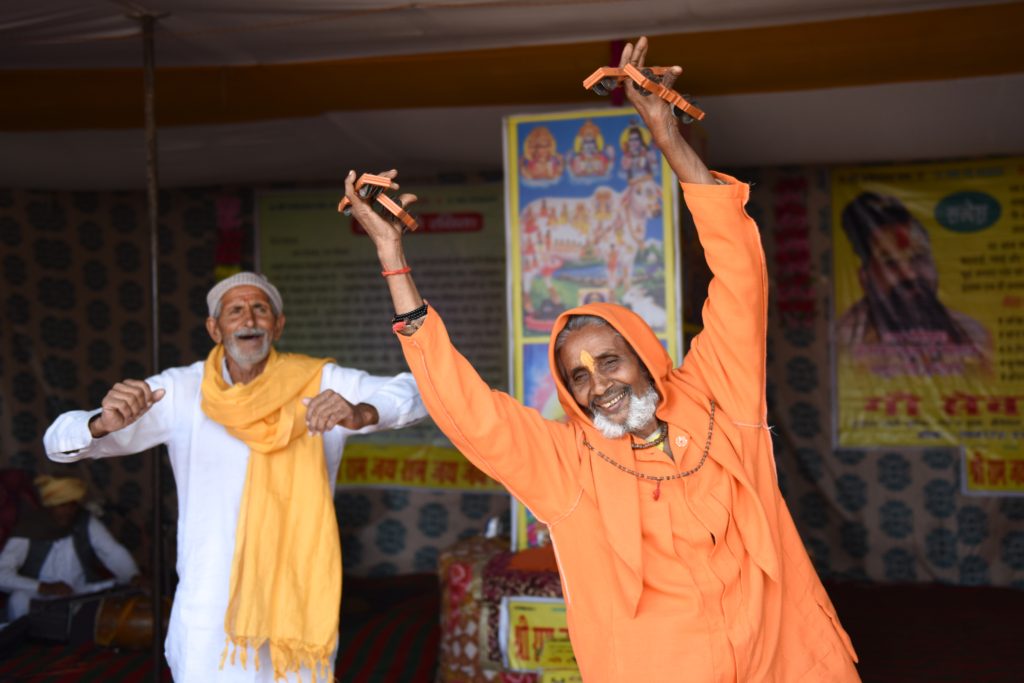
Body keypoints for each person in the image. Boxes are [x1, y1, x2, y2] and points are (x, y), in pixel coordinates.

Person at [346, 37, 860, 683]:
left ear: (645, 358)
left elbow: (740, 275)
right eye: (578, 377)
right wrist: (392, 258)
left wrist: (667, 134)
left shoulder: (721, 397)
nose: (599, 386)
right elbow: (466, 409)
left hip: (783, 657)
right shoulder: (567, 463)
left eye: (609, 361)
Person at [42, 272, 427, 682]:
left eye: (261, 309)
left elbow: (420, 391)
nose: (249, 319)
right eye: (235, 310)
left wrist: (362, 412)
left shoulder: (320, 382)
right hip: (210, 608)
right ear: (214, 328)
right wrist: (102, 423)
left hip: (295, 604)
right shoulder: (181, 390)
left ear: (278, 325)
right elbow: (57, 442)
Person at [837, 191, 992, 377]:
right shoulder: (845, 341)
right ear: (865, 277)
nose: (910, 275)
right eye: (890, 263)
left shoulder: (972, 335)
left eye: (919, 258)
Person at [0, 475, 139, 622]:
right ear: (50, 505)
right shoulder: (29, 528)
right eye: (62, 505)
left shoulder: (86, 522)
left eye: (72, 505)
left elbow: (112, 552)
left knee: (119, 589)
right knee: (19, 600)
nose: (68, 511)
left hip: (79, 592)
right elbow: (2, 575)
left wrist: (133, 576)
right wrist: (43, 587)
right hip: (39, 595)